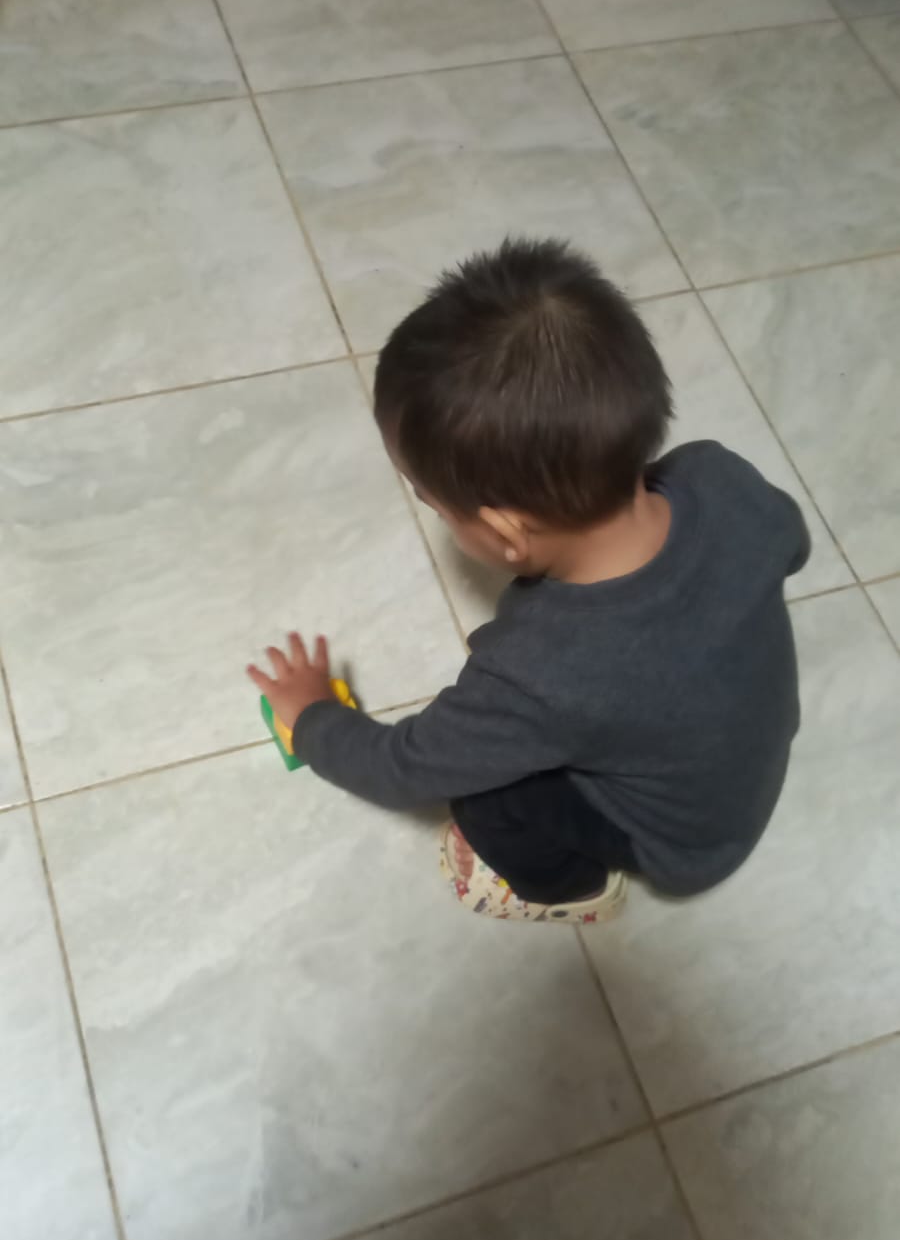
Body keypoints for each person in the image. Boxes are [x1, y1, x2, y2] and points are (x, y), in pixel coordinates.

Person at [248, 238, 810, 924]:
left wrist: (311, 718)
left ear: (507, 533)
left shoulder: (536, 676)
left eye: (432, 503)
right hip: (743, 767)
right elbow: (792, 546)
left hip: (678, 842)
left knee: (488, 800)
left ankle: (576, 891)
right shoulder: (718, 477)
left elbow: (404, 769)